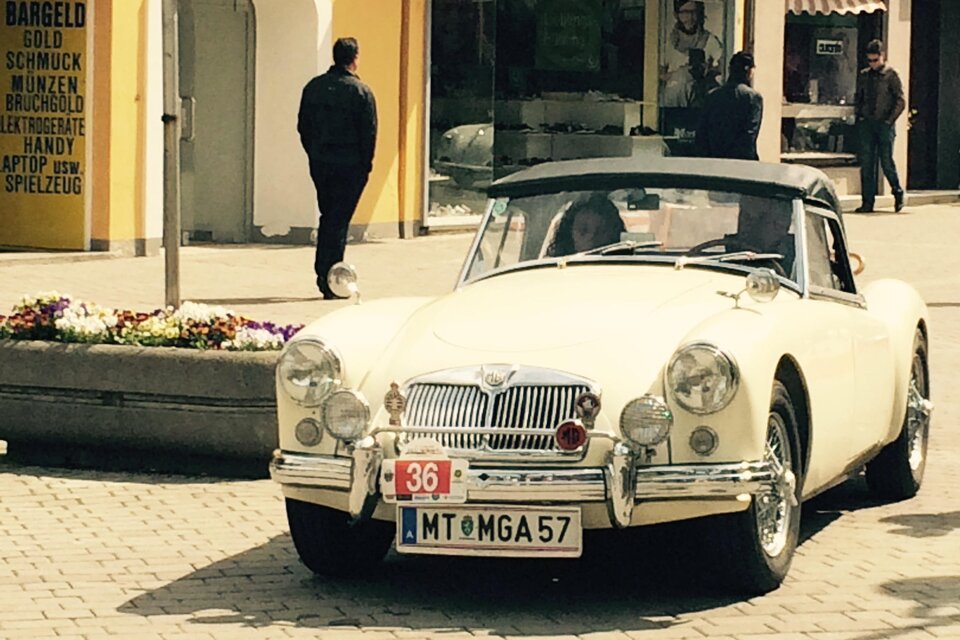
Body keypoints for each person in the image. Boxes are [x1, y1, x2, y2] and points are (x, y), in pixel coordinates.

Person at [298, 37, 378, 299]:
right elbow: (369, 133)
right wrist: (365, 167)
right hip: (350, 166)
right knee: (338, 220)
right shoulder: (361, 92)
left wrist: (315, 154)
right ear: (355, 58)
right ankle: (331, 277)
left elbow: (303, 127)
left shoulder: (314, 87)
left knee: (328, 216)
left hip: (322, 163)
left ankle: (325, 274)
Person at [854, 39, 905, 213]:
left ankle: (897, 192)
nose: (873, 64)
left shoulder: (891, 75)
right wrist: (859, 115)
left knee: (886, 162)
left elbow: (900, 100)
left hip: (884, 125)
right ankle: (867, 202)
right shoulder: (864, 75)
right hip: (867, 124)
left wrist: (889, 121)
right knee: (867, 164)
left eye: (875, 60)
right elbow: (858, 98)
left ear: (882, 56)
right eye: (870, 60)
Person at [695, 51, 763, 160]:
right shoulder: (752, 98)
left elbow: (702, 134)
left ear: (730, 70)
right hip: (741, 162)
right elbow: (749, 136)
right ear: (749, 71)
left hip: (714, 160)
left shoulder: (712, 96)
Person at [661, 0, 723, 108]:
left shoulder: (710, 41)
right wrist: (678, 75)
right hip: (672, 103)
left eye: (693, 12)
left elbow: (722, 67)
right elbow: (656, 73)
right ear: (676, 15)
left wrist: (706, 72)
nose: (690, 18)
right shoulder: (667, 43)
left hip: (699, 101)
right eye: (685, 12)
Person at [545, 195, 626, 257]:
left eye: (600, 231)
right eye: (583, 230)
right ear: (569, 233)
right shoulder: (552, 272)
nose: (591, 238)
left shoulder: (628, 272)